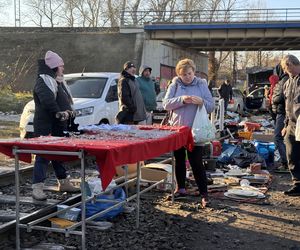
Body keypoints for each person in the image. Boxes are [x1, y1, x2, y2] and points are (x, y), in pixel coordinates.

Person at [163, 58, 215, 208]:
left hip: (195, 131)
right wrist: (182, 100)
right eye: (184, 74)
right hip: (177, 129)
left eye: (190, 73)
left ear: (194, 72)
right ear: (179, 74)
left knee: (196, 162)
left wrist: (201, 102)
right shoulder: (174, 84)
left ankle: (204, 193)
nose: (187, 77)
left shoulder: (201, 84)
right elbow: (166, 104)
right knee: (178, 160)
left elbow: (211, 106)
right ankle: (180, 188)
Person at [32, 50, 79, 200]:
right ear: (54, 67)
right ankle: (37, 187)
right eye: (61, 66)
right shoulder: (43, 81)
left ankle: (63, 182)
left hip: (58, 125)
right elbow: (47, 101)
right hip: (46, 125)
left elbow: (64, 99)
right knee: (43, 156)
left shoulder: (57, 81)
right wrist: (59, 113)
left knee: (57, 154)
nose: (63, 68)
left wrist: (69, 112)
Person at [280, 54, 300, 196]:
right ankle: (297, 183)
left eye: (287, 68)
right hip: (292, 123)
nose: (286, 71)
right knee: (291, 153)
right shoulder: (288, 82)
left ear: (292, 64)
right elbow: (287, 105)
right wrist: (285, 125)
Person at [271, 66, 289, 172]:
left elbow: (280, 96)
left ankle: (285, 163)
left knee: (278, 138)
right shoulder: (285, 80)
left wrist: (274, 98)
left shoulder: (284, 80)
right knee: (285, 138)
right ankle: (287, 162)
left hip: (282, 112)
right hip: (282, 112)